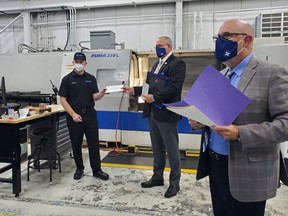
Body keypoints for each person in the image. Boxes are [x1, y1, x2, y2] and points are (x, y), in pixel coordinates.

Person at [189, 19, 288, 216]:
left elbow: (285, 123)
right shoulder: (221, 75)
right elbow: (214, 113)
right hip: (215, 165)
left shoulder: (271, 73)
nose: (220, 41)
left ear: (247, 40)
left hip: (248, 171)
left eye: (227, 36)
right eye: (218, 36)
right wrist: (200, 121)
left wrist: (241, 133)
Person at [123, 36, 186, 198]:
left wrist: (155, 97)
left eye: (160, 45)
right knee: (157, 148)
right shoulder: (156, 64)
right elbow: (149, 86)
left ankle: (174, 183)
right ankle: (157, 177)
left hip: (166, 113)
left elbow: (174, 87)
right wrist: (134, 90)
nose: (157, 48)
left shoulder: (177, 64)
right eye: (156, 45)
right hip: (153, 112)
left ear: (169, 47)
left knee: (172, 150)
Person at [58, 52, 109, 181]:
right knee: (76, 143)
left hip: (90, 114)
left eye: (81, 62)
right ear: (73, 63)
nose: (79, 64)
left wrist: (102, 93)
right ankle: (79, 168)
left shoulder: (91, 78)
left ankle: (97, 170)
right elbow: (63, 99)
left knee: (93, 143)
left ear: (85, 63)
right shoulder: (67, 79)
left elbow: (94, 97)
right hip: (74, 115)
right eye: (76, 62)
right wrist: (73, 114)